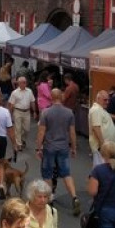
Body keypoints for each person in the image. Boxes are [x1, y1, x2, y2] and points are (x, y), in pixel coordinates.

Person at [35, 88, 81, 216]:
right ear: (61, 97)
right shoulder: (69, 113)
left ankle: (49, 200)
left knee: (48, 174)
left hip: (49, 147)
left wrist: (38, 148)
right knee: (66, 173)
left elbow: (41, 132)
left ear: (51, 97)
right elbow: (72, 132)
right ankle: (74, 197)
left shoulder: (46, 113)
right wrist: (74, 148)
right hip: (63, 147)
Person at [89, 90, 115, 167]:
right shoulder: (96, 110)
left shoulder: (100, 109)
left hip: (104, 147)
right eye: (105, 100)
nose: (107, 102)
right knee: (101, 170)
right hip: (102, 148)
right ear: (98, 99)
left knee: (103, 170)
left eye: (108, 100)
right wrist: (103, 144)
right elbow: (96, 127)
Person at [8, 76, 36, 156]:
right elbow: (11, 104)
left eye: (25, 82)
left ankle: (22, 139)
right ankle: (19, 144)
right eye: (22, 82)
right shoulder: (15, 93)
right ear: (19, 83)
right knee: (18, 128)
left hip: (27, 112)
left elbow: (32, 101)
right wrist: (10, 114)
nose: (24, 84)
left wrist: (34, 111)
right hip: (18, 111)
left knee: (27, 129)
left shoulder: (29, 91)